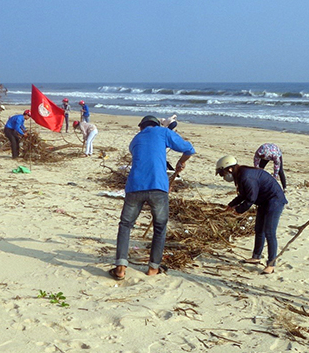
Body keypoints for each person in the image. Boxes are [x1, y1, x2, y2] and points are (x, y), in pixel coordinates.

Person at [110, 115, 195, 280]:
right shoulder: (163, 132)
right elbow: (189, 149)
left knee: (126, 225)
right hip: (158, 187)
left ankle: (120, 267)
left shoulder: (135, 140)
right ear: (156, 125)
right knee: (160, 227)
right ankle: (153, 268)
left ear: (141, 127)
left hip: (135, 187)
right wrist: (181, 161)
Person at [216, 155, 287, 274]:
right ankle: (256, 257)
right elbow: (243, 195)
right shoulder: (240, 175)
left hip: (275, 201)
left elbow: (251, 199)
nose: (223, 177)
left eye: (222, 173)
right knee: (259, 229)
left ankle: (271, 264)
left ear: (229, 169)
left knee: (269, 232)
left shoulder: (246, 177)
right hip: (264, 201)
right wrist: (231, 205)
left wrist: (238, 210)